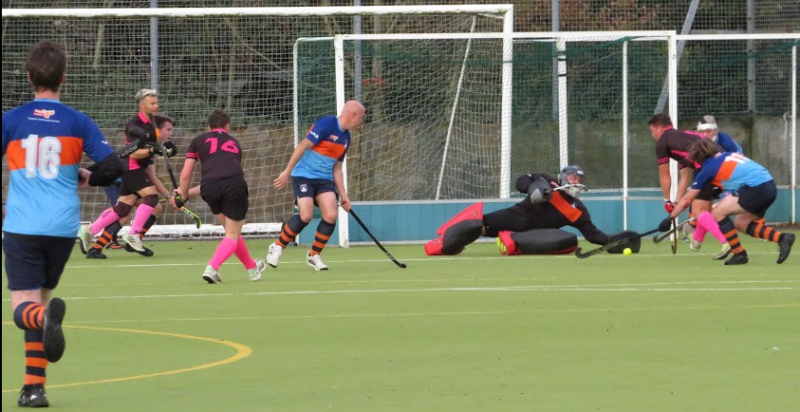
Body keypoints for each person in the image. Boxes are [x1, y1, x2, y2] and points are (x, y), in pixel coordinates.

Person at [2, 40, 121, 407]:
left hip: (23, 225)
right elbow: (114, 167)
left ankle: (43, 320)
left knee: (25, 309)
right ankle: (34, 389)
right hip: (62, 228)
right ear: (64, 78)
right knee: (41, 301)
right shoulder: (77, 121)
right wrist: (88, 175)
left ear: (28, 77)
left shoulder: (11, 120)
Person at [267, 100, 366, 271]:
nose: (362, 121)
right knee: (306, 215)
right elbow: (302, 146)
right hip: (304, 175)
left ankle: (314, 255)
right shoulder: (326, 124)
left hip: (324, 179)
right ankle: (277, 246)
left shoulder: (346, 137)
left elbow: (337, 169)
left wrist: (344, 196)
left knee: (331, 215)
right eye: (362, 117)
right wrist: (287, 171)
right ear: (353, 115)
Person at [661, 138, 795, 265]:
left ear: (697, 158)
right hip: (769, 186)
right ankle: (782, 238)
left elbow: (687, 200)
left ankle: (739, 253)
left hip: (756, 188)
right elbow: (738, 175)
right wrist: (718, 188)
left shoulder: (707, 169)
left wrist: (670, 218)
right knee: (741, 223)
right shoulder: (727, 155)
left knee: (717, 212)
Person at [78, 91, 176, 258]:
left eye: (156, 102)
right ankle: (134, 235)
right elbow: (133, 153)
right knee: (151, 199)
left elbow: (151, 153)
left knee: (122, 209)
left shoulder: (152, 123)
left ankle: (90, 231)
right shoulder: (134, 125)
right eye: (152, 103)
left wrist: (160, 149)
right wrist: (154, 150)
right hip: (131, 167)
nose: (156, 106)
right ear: (141, 105)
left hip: (135, 169)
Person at [175, 109, 266, 283]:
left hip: (210, 188)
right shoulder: (234, 143)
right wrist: (184, 194)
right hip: (234, 185)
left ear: (209, 127)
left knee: (231, 231)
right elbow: (229, 175)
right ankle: (212, 268)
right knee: (232, 233)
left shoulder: (197, 141)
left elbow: (185, 175)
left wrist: (183, 195)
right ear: (227, 126)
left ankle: (252, 268)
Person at [483, 166, 610, 245]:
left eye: (578, 179)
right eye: (573, 178)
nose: (576, 182)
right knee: (481, 225)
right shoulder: (547, 181)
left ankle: (510, 241)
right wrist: (533, 189)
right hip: (517, 216)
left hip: (533, 238)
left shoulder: (578, 210)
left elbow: (593, 235)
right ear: (563, 177)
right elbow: (521, 181)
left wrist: (612, 241)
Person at [649, 113, 724, 236]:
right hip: (724, 163)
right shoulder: (683, 140)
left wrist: (667, 201)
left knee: (698, 211)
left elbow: (665, 176)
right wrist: (676, 204)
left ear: (659, 129)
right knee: (704, 211)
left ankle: (726, 242)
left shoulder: (662, 143)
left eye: (652, 131)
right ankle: (697, 240)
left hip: (707, 167)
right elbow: (685, 177)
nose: (653, 135)